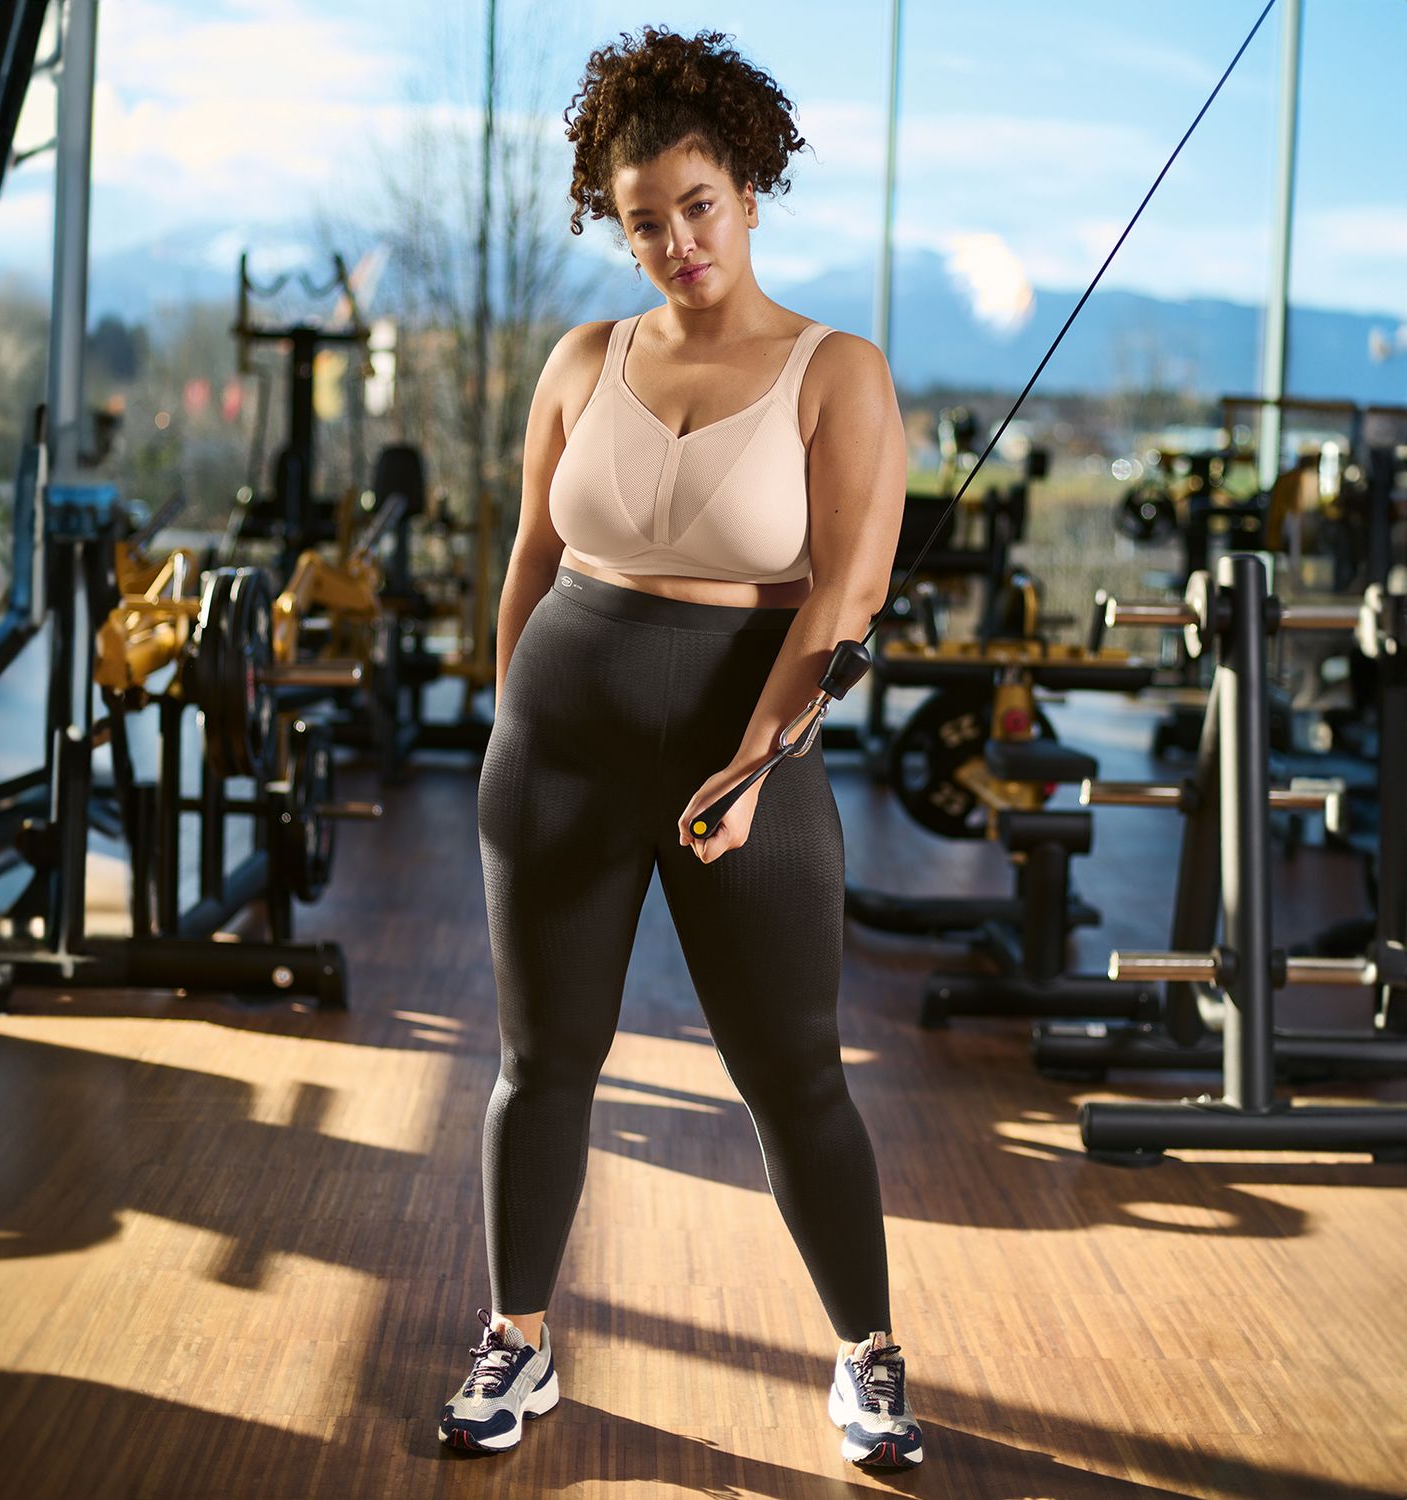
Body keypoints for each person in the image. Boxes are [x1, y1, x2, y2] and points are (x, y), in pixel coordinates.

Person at [437, 23, 921, 1471]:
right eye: (643, 221)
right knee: (541, 1064)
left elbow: (844, 595)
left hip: (742, 751)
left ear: (749, 191)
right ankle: (516, 1342)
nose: (676, 243)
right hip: (560, 748)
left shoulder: (837, 372)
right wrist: (508, 727)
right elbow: (531, 562)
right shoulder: (582, 361)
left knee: (795, 1075)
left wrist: (760, 763)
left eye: (697, 206)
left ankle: (869, 1354)